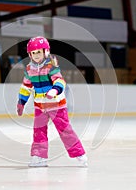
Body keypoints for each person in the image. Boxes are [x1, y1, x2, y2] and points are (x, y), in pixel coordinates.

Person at [17, 36, 88, 167]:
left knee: (65, 130)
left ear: (46, 52)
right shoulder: (29, 70)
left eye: (39, 52)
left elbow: (60, 80)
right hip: (40, 107)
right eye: (34, 53)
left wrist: (55, 90)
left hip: (57, 105)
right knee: (38, 132)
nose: (36, 55)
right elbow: (26, 87)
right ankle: (39, 157)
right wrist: (21, 102)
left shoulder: (51, 67)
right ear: (30, 54)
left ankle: (79, 154)